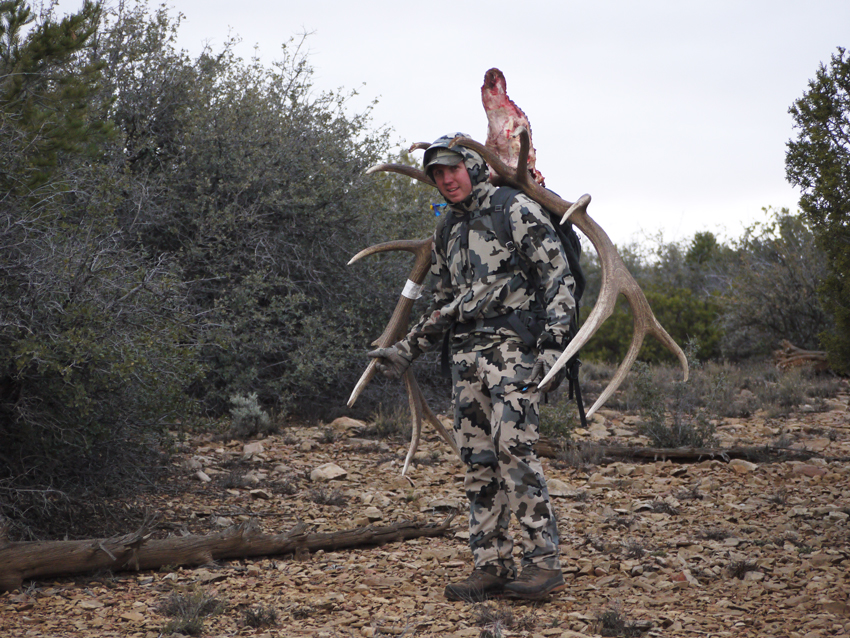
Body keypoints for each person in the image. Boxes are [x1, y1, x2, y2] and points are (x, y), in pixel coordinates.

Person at [368, 133, 575, 602]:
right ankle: (491, 565)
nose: (445, 180)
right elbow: (444, 302)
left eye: (452, 170)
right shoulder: (447, 229)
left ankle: (544, 565)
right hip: (467, 362)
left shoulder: (514, 209)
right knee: (477, 460)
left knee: (514, 452)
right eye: (437, 174)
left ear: (472, 166)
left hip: (516, 355)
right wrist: (407, 348)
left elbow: (556, 278)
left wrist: (554, 351)